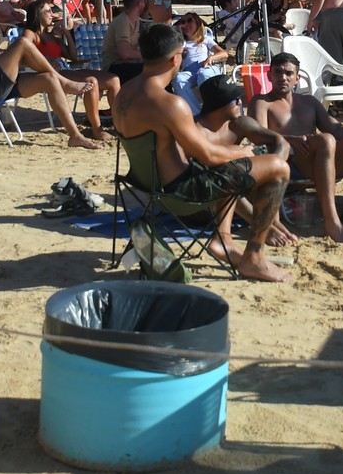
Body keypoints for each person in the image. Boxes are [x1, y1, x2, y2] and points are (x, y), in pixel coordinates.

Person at [113, 24, 291, 283]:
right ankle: (254, 258)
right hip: (180, 194)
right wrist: (244, 151)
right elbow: (209, 157)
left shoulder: (123, 93)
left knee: (227, 162)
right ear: (176, 58)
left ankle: (224, 240)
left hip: (143, 184)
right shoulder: (170, 103)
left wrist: (232, 153)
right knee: (277, 167)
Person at [247, 53, 343, 243]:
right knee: (325, 140)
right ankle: (332, 222)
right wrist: (291, 140)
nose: (283, 77)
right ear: (269, 76)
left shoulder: (309, 102)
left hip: (321, 161)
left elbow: (334, 128)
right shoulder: (262, 102)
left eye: (288, 73)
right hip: (290, 163)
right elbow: (257, 137)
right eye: (278, 72)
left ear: (297, 78)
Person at [193, 75, 298, 250]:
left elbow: (280, 142)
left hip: (232, 193)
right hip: (202, 202)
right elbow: (208, 177)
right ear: (218, 105)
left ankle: (270, 220)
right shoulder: (195, 130)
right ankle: (264, 226)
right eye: (235, 100)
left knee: (260, 166)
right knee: (227, 173)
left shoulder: (238, 124)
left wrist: (273, 171)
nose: (241, 102)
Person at [31, 2, 119, 140]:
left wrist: (65, 34)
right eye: (48, 11)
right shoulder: (32, 35)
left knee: (113, 80)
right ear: (37, 15)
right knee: (92, 82)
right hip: (53, 73)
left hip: (65, 67)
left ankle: (119, 125)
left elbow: (73, 57)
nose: (52, 14)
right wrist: (46, 60)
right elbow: (27, 53)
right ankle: (96, 129)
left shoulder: (53, 36)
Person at [102, 0, 147, 82]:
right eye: (144, 1)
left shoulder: (135, 20)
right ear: (139, 4)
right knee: (152, 71)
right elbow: (125, 53)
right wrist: (148, 55)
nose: (145, 3)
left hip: (127, 64)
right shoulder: (123, 21)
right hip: (114, 67)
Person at [177, 10, 229, 80]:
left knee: (203, 74)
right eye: (183, 22)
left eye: (189, 20)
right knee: (178, 78)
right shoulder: (182, 43)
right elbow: (176, 55)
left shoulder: (205, 39)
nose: (186, 24)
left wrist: (211, 58)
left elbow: (224, 53)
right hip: (189, 72)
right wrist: (179, 33)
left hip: (204, 67)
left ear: (197, 23)